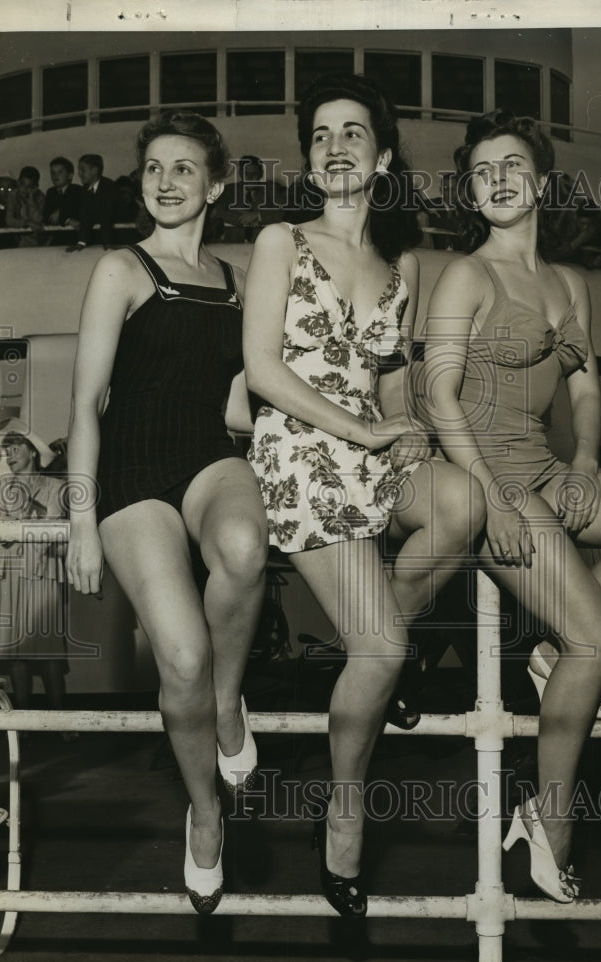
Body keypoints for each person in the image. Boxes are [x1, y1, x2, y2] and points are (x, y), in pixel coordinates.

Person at [423, 110, 601, 903]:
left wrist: (581, 460)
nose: (499, 178)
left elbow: (585, 386)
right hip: (480, 473)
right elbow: (438, 395)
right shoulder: (466, 275)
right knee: (598, 639)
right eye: (481, 171)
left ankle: (546, 654)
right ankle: (549, 819)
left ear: (538, 181)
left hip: (543, 463)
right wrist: (489, 499)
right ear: (471, 193)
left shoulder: (568, 282)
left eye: (513, 165)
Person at [244, 73, 485, 918]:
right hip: (303, 451)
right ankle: (343, 805)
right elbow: (264, 373)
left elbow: (388, 390)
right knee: (376, 652)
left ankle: (391, 642)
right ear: (308, 160)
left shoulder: (395, 270)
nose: (336, 145)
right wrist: (367, 434)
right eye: (320, 134)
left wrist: (404, 427)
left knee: (463, 503)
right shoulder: (282, 242)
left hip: (371, 447)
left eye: (354, 132)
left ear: (381, 157)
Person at [65, 111, 268, 915]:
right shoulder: (121, 267)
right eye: (154, 167)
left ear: (214, 185)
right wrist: (82, 518)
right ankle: (206, 812)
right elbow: (84, 403)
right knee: (180, 656)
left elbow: (238, 408)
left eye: (185, 168)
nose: (167, 180)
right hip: (130, 471)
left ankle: (227, 702)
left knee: (246, 547)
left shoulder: (234, 280)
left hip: (207, 456)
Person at [0, 420, 72, 722]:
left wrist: (24, 521)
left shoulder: (56, 486)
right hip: (7, 571)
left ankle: (60, 723)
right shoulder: (2, 488)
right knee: (16, 654)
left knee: (48, 652)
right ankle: (22, 725)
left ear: (33, 452)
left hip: (41, 568)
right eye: (6, 449)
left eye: (15, 447)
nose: (9, 454)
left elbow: (52, 528)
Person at [214, 154, 286, 242]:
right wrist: (245, 218)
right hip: (233, 242)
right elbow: (219, 212)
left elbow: (283, 213)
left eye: (254, 174)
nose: (250, 177)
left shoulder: (271, 189)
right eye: (246, 173)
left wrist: (258, 216)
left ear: (261, 174)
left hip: (263, 242)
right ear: (240, 173)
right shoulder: (229, 190)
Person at [66, 154, 118, 251]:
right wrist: (81, 243)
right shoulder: (84, 190)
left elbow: (107, 216)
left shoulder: (108, 186)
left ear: (94, 170)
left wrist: (108, 244)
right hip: (100, 241)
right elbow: (85, 217)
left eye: (82, 169)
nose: (79, 173)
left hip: (117, 239)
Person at [43, 156, 82, 245]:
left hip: (76, 239)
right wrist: (67, 220)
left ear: (70, 175)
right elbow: (47, 216)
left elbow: (76, 210)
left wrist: (61, 213)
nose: (55, 175)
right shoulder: (51, 192)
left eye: (60, 172)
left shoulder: (77, 190)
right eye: (53, 173)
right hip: (57, 240)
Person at [5, 166, 45, 247]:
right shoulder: (13, 195)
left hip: (37, 241)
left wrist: (31, 200)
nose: (24, 189)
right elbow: (9, 220)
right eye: (22, 184)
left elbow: (38, 220)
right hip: (18, 240)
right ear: (18, 182)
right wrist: (27, 223)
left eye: (29, 186)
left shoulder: (40, 197)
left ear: (35, 187)